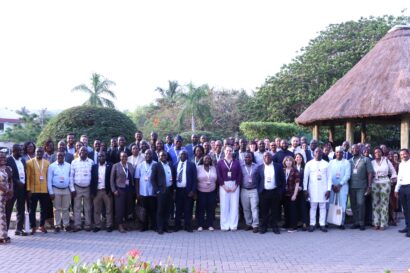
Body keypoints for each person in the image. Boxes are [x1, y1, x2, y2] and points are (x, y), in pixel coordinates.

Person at [254, 152, 285, 234]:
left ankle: (275, 227)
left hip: (275, 192)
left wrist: (280, 191)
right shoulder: (259, 168)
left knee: (275, 210)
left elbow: (283, 180)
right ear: (263, 158)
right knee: (264, 211)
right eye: (265, 156)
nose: (267, 157)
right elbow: (257, 181)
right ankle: (264, 227)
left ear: (271, 157)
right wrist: (259, 191)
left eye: (269, 156)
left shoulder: (278, 166)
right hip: (264, 192)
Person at [304, 148, 331, 232]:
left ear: (322, 153)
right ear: (313, 153)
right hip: (312, 189)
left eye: (320, 151)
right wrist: (305, 189)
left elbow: (329, 178)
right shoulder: (309, 164)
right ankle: (312, 224)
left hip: (324, 189)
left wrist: (329, 190)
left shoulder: (326, 164)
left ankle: (322, 224)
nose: (318, 153)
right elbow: (305, 178)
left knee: (323, 207)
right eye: (316, 152)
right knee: (313, 207)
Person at [216, 146, 242, 231]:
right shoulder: (220, 162)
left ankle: (233, 225)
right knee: (224, 206)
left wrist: (236, 185)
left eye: (230, 151)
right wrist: (223, 186)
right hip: (224, 185)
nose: (229, 152)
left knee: (234, 205)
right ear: (224, 151)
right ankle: (224, 225)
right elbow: (219, 175)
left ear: (232, 152)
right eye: (227, 151)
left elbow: (239, 174)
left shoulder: (236, 162)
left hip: (234, 184)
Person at [349, 144, 373, 230]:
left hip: (362, 186)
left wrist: (369, 186)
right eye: (353, 149)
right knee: (353, 205)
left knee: (361, 204)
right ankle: (356, 222)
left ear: (359, 149)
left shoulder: (365, 160)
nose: (354, 150)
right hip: (351, 186)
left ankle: (362, 223)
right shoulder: (349, 161)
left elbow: (370, 173)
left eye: (356, 148)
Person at [47, 151, 73, 232]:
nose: (60, 157)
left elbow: (71, 178)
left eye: (61, 156)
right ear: (56, 157)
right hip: (56, 189)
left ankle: (66, 225)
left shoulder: (69, 166)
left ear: (64, 156)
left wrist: (72, 189)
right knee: (56, 209)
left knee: (66, 208)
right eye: (58, 156)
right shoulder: (51, 166)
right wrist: (51, 192)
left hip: (66, 189)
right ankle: (57, 225)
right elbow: (49, 180)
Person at [371, 147, 397, 230]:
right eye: (375, 152)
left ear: (381, 153)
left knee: (384, 203)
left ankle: (383, 223)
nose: (377, 153)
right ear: (374, 154)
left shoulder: (386, 161)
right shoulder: (372, 162)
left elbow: (393, 171)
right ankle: (376, 222)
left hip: (385, 182)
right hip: (375, 183)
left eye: (379, 152)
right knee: (375, 204)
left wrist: (393, 179)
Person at [26, 147, 50, 234]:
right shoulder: (29, 163)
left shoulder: (47, 163)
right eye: (37, 152)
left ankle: (42, 225)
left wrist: (49, 189)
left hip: (44, 189)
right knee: (32, 209)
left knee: (44, 209)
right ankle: (33, 227)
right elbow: (28, 177)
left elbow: (48, 177)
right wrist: (28, 189)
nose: (39, 153)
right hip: (33, 190)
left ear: (43, 153)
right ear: (35, 152)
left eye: (41, 152)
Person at [5, 144, 27, 236]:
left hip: (22, 189)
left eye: (21, 150)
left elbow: (25, 173)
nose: (21, 152)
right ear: (14, 151)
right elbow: (8, 174)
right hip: (12, 189)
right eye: (19, 151)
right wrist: (17, 181)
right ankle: (4, 231)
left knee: (21, 208)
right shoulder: (8, 160)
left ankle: (19, 229)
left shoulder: (23, 160)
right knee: (8, 209)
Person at [70, 147, 94, 232]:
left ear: (87, 153)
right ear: (78, 152)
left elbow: (93, 176)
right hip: (77, 187)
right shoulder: (74, 162)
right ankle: (77, 225)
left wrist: (92, 189)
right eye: (81, 151)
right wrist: (72, 189)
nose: (83, 152)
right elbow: (71, 176)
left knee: (87, 207)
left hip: (87, 188)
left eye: (85, 151)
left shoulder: (91, 162)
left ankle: (88, 224)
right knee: (77, 207)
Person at [327, 146, 351, 229]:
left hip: (343, 186)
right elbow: (328, 175)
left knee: (342, 204)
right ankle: (330, 221)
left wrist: (340, 185)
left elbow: (347, 175)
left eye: (340, 152)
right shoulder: (331, 162)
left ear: (343, 153)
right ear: (335, 153)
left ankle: (341, 222)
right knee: (331, 202)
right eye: (337, 152)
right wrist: (333, 185)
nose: (339, 154)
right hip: (332, 186)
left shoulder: (347, 162)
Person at [111, 151, 135, 233]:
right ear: (120, 157)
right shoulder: (116, 166)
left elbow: (133, 178)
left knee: (127, 208)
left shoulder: (130, 165)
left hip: (129, 190)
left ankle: (125, 224)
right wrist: (114, 190)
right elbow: (111, 180)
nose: (124, 158)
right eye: (122, 156)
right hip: (119, 190)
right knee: (119, 209)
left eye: (125, 156)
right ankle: (119, 225)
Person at [173, 150, 197, 232]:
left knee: (188, 209)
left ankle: (188, 226)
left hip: (188, 191)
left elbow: (194, 179)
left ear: (187, 156)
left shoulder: (192, 165)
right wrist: (174, 190)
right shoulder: (175, 165)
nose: (183, 155)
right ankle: (177, 226)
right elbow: (173, 178)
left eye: (184, 154)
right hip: (178, 190)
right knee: (178, 209)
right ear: (179, 156)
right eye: (181, 154)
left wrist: (193, 191)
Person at [151, 151, 173, 234]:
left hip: (169, 190)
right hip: (161, 190)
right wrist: (157, 190)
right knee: (160, 210)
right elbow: (152, 179)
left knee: (167, 210)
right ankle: (159, 228)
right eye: (161, 155)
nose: (163, 156)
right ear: (158, 157)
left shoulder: (169, 165)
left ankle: (166, 227)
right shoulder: (156, 165)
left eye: (164, 155)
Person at [90, 152, 113, 232]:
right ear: (98, 158)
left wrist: (110, 190)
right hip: (97, 191)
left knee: (109, 209)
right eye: (99, 156)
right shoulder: (94, 167)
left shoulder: (110, 165)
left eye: (103, 156)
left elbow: (112, 179)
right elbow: (92, 180)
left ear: (105, 157)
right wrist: (92, 192)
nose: (101, 157)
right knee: (96, 210)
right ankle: (97, 225)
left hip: (107, 192)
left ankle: (109, 225)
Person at [135, 149, 156, 231]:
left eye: (150, 154)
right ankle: (144, 226)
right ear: (144, 155)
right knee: (144, 210)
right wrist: (137, 193)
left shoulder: (156, 164)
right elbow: (136, 179)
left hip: (153, 192)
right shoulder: (140, 165)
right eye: (146, 154)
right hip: (143, 192)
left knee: (153, 210)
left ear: (152, 155)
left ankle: (154, 226)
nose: (148, 155)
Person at [240, 152, 259, 233]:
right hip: (244, 190)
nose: (247, 158)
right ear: (244, 158)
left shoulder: (256, 166)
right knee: (246, 208)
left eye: (249, 157)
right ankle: (248, 223)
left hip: (254, 190)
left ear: (252, 158)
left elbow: (259, 177)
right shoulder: (241, 167)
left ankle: (255, 225)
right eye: (246, 157)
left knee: (254, 208)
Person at [395, 149, 410, 238]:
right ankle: (407, 226)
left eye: (404, 154)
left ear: (408, 154)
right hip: (402, 188)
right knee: (405, 209)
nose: (403, 156)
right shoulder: (401, 164)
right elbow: (399, 177)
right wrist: (396, 189)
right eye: (401, 154)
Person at [282, 156, 300, 232]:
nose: (288, 162)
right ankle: (287, 224)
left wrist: (295, 195)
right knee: (286, 210)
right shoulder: (283, 170)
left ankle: (294, 226)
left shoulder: (295, 171)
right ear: (284, 162)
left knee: (293, 210)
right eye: (286, 161)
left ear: (292, 162)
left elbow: (297, 184)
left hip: (292, 193)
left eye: (290, 161)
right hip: (284, 194)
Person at [0, 152, 13, 243]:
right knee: (1, 215)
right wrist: (6, 190)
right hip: (1, 194)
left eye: (4, 157)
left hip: (6, 195)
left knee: (5, 215)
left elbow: (11, 180)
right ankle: (2, 236)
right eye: (1, 157)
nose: (3, 159)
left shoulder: (8, 168)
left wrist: (11, 190)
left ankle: (4, 235)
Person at [295, 153, 308, 230]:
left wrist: (302, 187)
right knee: (295, 207)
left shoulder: (305, 167)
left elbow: (306, 179)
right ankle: (296, 222)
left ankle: (304, 223)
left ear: (302, 159)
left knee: (303, 207)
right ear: (295, 159)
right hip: (295, 191)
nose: (298, 158)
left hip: (303, 190)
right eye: (297, 157)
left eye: (300, 157)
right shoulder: (293, 167)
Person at [388, 150, 400, 225]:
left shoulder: (397, 165)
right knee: (388, 202)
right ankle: (389, 218)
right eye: (389, 155)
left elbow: (399, 175)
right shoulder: (386, 164)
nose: (391, 156)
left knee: (394, 202)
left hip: (394, 186)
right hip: (386, 185)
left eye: (392, 155)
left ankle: (395, 218)